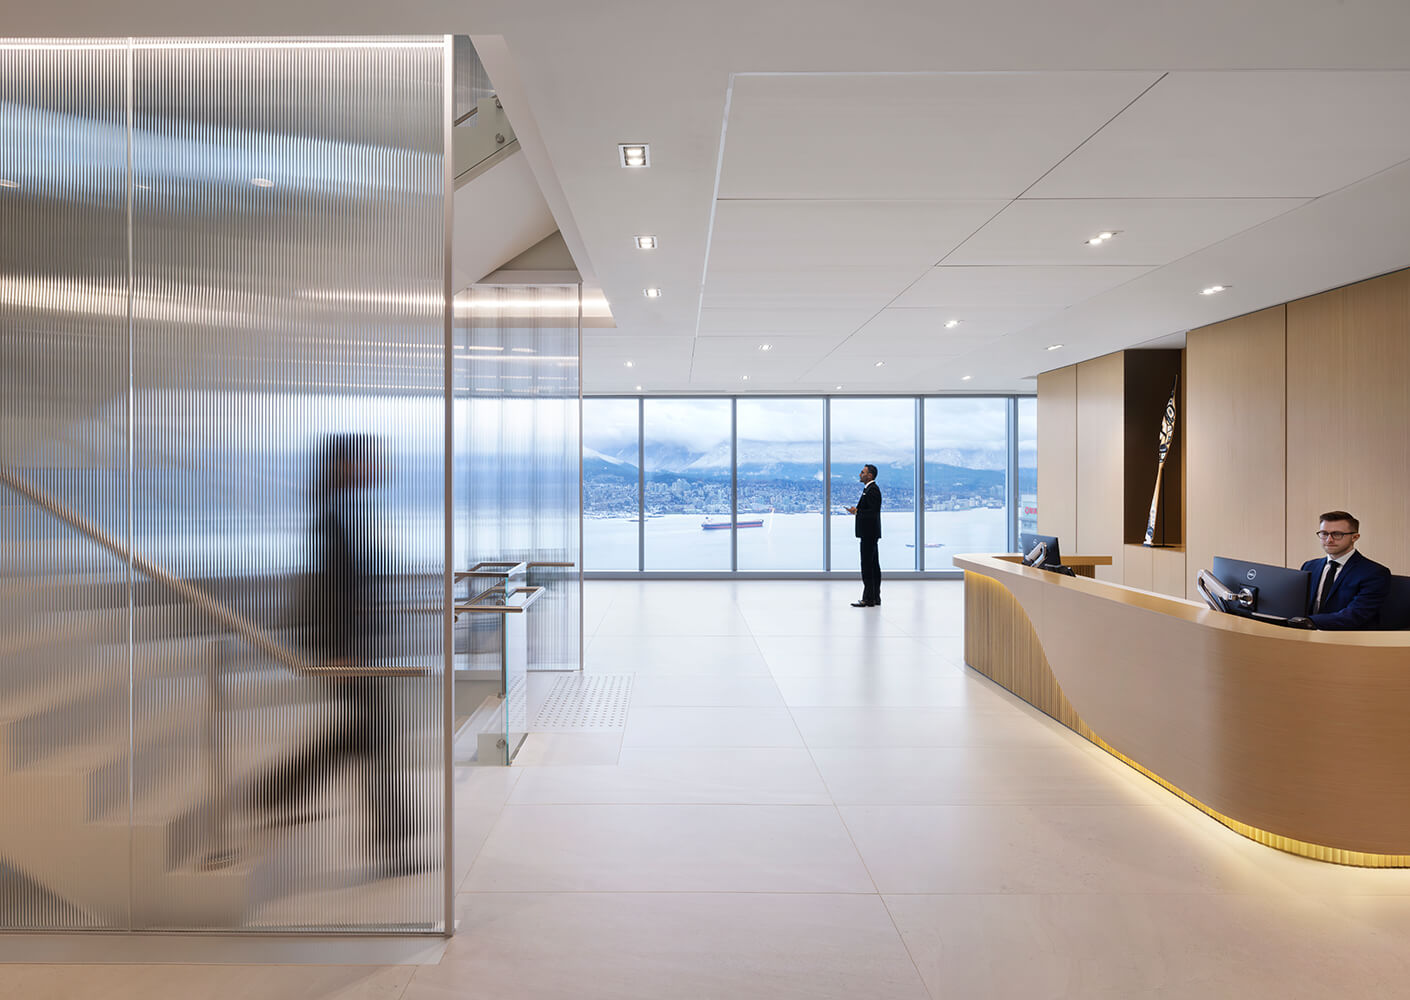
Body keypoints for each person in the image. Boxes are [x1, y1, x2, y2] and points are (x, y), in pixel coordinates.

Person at [254, 433, 420, 875]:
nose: (372, 467)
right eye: (360, 461)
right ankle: (394, 842)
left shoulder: (350, 514)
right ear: (343, 466)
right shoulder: (334, 520)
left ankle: (279, 791)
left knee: (355, 742)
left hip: (365, 655)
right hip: (352, 658)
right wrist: (340, 655)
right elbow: (331, 593)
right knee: (376, 743)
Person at [1298, 510, 1391, 630]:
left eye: (1337, 534)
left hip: (1348, 639)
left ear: (1355, 537)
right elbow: (1298, 605)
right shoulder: (1309, 566)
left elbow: (1354, 615)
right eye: (1324, 533)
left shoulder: (1375, 573)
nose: (1329, 540)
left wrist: (1308, 621)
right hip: (1306, 635)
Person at [846, 464, 882, 607]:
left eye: (863, 472)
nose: (860, 474)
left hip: (869, 534)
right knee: (873, 566)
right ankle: (874, 597)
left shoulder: (873, 490)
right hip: (870, 534)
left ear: (870, 475)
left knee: (867, 566)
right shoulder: (869, 489)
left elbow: (873, 513)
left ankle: (868, 599)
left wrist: (857, 512)